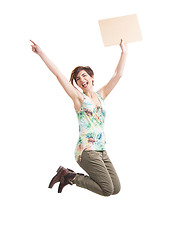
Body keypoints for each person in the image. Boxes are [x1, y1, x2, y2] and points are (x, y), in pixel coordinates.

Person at [30, 39, 128, 196]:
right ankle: (69, 177)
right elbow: (58, 74)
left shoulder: (101, 95)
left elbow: (118, 74)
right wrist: (41, 53)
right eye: (78, 79)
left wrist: (124, 52)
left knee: (116, 188)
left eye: (84, 76)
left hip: (101, 149)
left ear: (91, 76)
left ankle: (67, 175)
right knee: (107, 190)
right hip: (87, 151)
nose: (82, 80)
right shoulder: (79, 99)